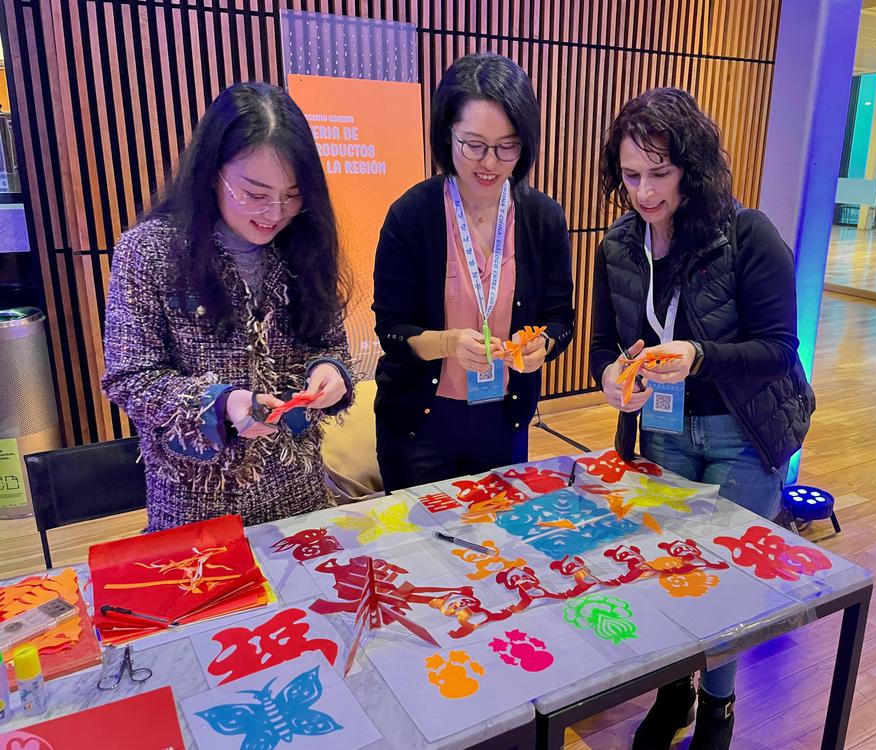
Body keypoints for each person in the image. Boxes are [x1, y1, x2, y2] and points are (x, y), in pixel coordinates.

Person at [590, 87, 816, 749]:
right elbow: (608, 343)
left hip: (741, 434)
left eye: (660, 173)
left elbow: (779, 350)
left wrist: (698, 354)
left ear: (692, 164)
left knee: (723, 581)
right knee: (665, 567)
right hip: (662, 428)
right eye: (631, 175)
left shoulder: (748, 235)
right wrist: (610, 376)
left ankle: (718, 711)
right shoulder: (620, 245)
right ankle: (674, 693)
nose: (645, 192)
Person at [103, 82, 354, 531]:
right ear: (211, 172)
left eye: (292, 195)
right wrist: (224, 405)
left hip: (301, 500)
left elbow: (330, 344)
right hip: (197, 509)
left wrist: (332, 373)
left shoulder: (304, 245)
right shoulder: (150, 252)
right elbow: (131, 379)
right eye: (254, 194)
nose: (274, 213)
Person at [372, 52, 574, 492]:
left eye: (508, 147)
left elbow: (562, 319)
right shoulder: (411, 215)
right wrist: (447, 344)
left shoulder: (543, 219)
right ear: (448, 135)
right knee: (419, 550)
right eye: (474, 144)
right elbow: (390, 330)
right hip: (419, 427)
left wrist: (543, 345)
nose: (490, 163)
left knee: (499, 546)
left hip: (503, 418)